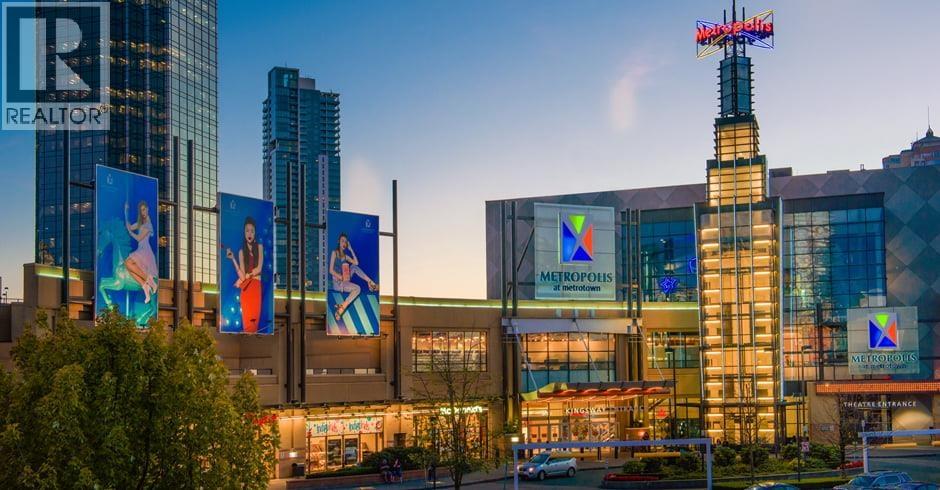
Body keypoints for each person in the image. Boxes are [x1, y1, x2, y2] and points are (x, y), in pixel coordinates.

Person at [226, 216, 264, 333]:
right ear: (244, 232)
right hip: (246, 290)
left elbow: (259, 268)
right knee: (247, 324)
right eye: (247, 230)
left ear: (255, 232)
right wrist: (233, 259)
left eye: (252, 231)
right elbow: (242, 277)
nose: (250, 233)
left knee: (254, 323)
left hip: (256, 287)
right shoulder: (241, 252)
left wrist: (249, 275)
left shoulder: (259, 247)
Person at [329, 233, 378, 321]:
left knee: (354, 267)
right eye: (342, 241)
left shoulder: (346, 256)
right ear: (338, 242)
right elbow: (331, 270)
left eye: (345, 242)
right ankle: (341, 308)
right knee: (358, 288)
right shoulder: (334, 253)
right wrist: (341, 277)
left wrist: (351, 249)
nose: (344, 243)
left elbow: (356, 263)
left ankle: (370, 282)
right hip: (338, 283)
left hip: (345, 279)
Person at [123, 200, 158, 304]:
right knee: (128, 267)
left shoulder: (148, 225)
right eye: (141, 210)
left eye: (144, 209)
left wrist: (130, 233)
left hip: (145, 250)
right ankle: (145, 287)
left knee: (128, 263)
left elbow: (139, 238)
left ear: (147, 209)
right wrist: (125, 212)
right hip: (141, 249)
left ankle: (150, 282)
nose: (143, 212)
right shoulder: (141, 223)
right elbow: (129, 227)